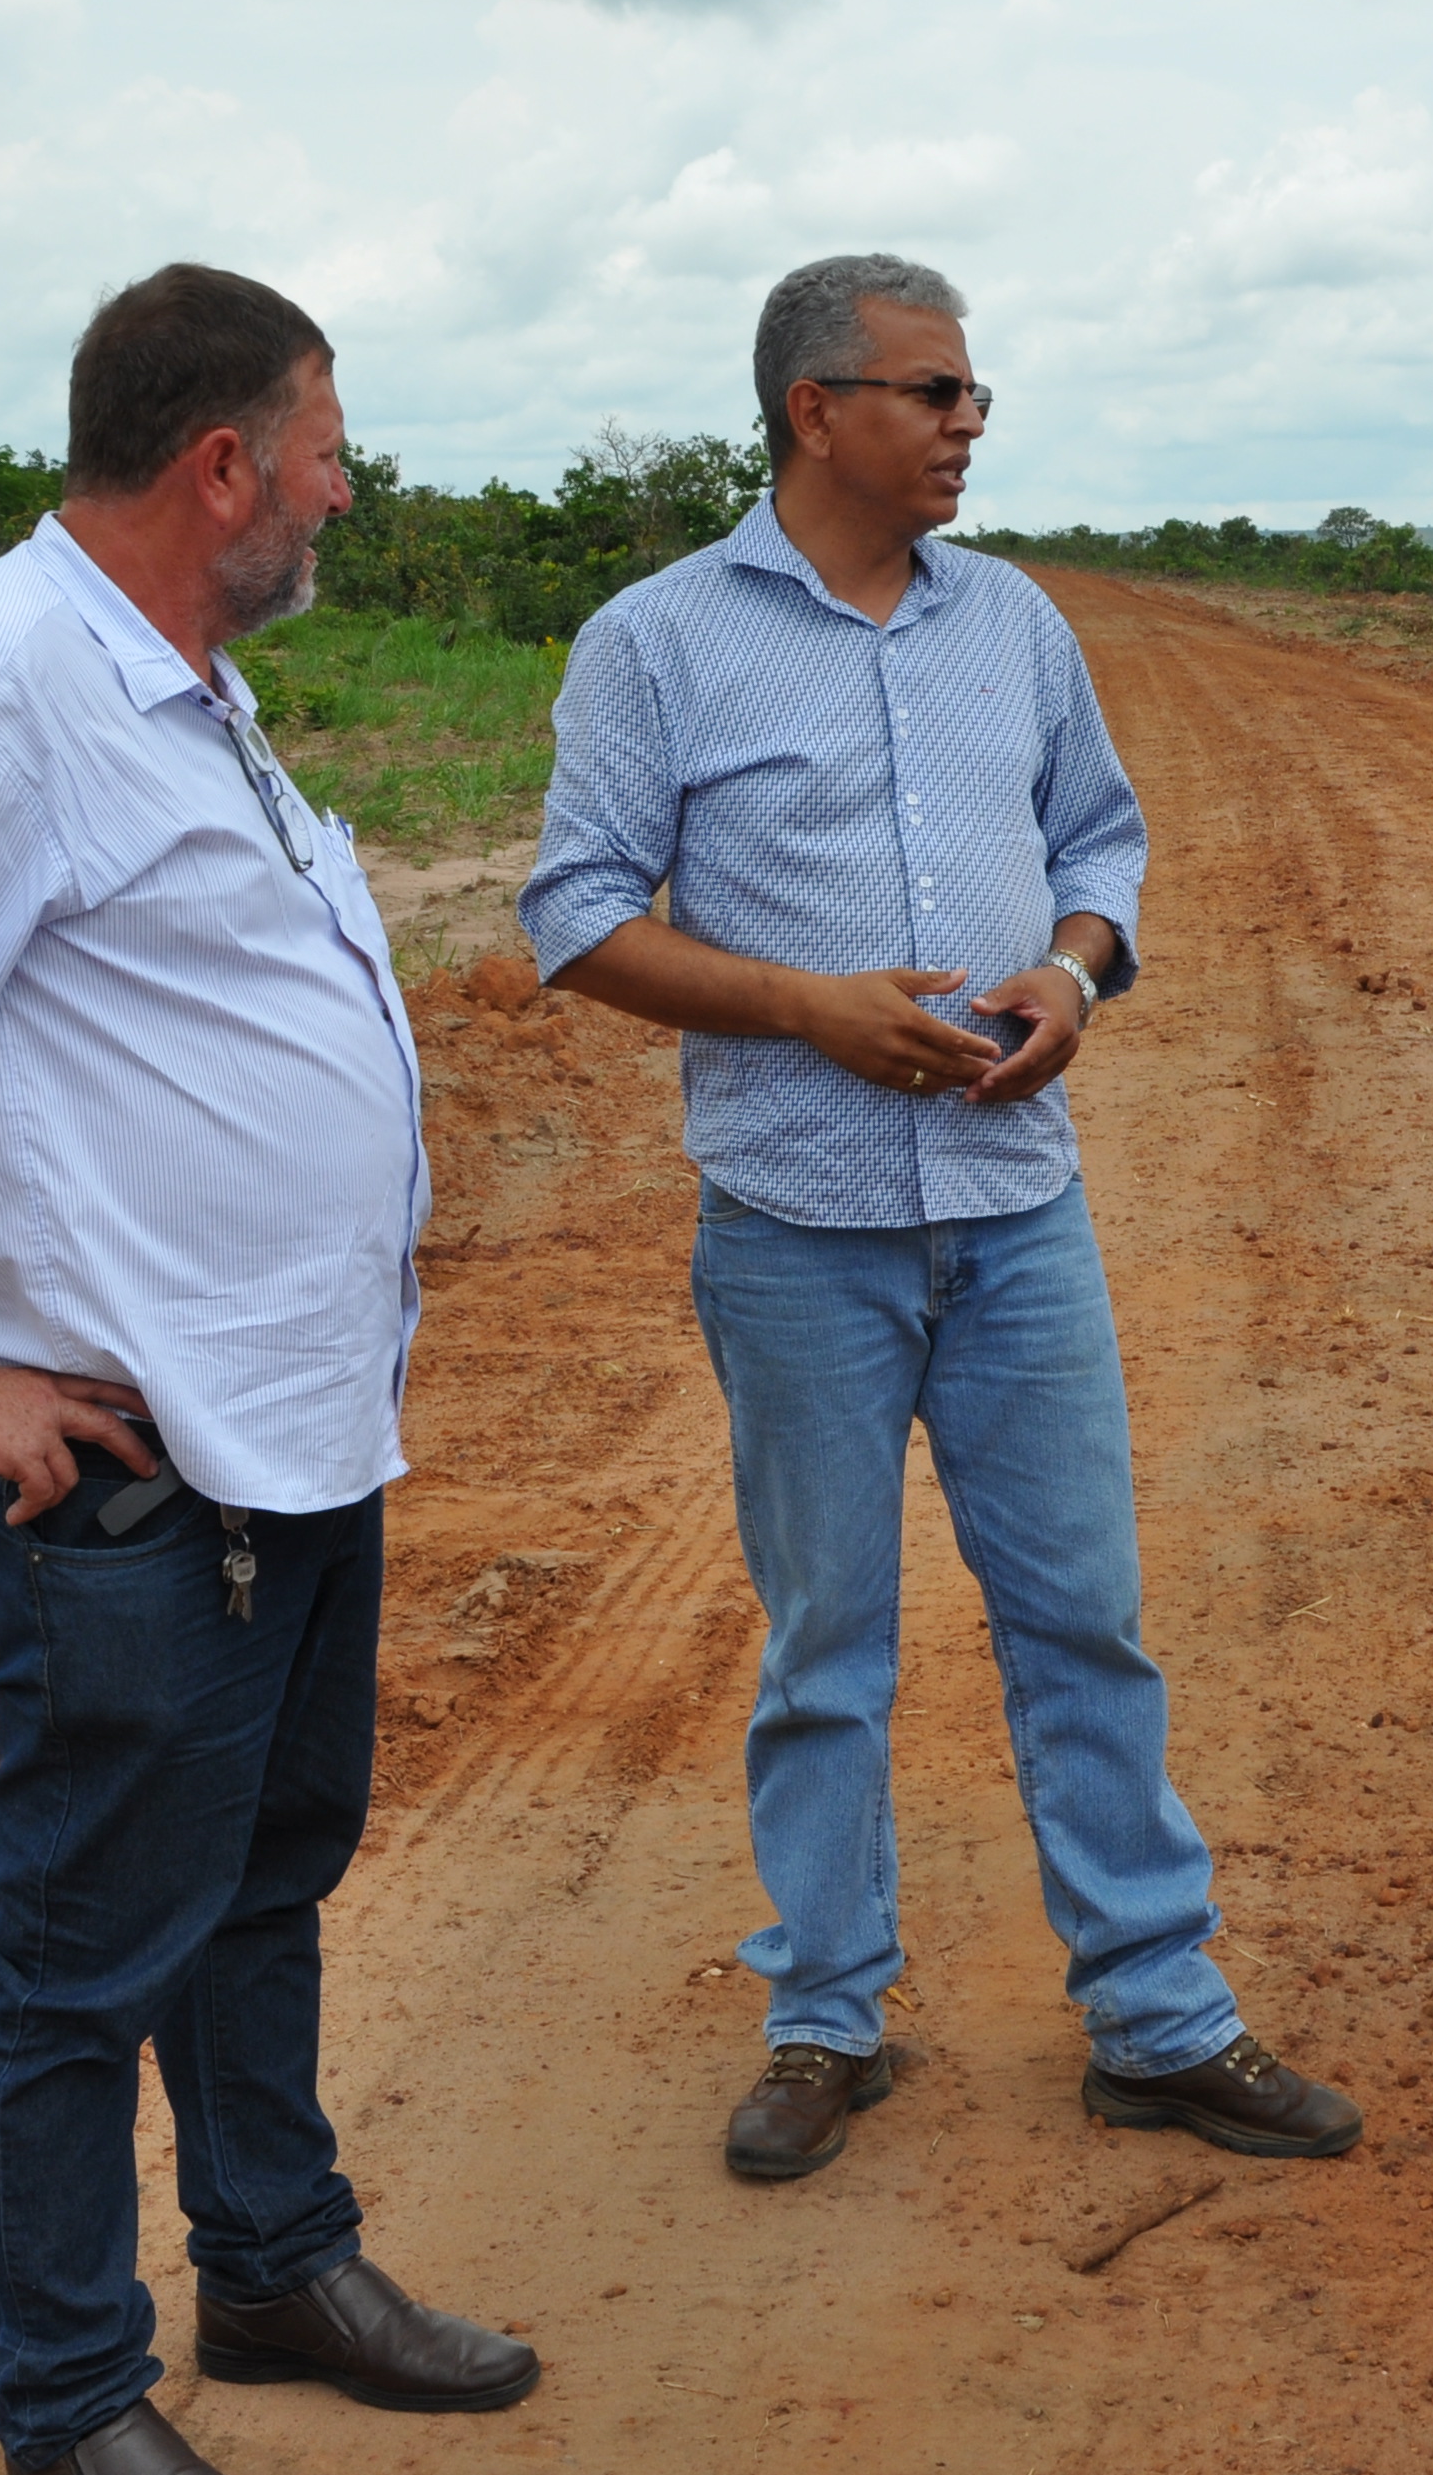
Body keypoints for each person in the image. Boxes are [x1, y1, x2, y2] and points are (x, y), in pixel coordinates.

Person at [0, 264, 535, 2475]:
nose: (347, 486)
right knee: (81, 1938)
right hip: (127, 1463)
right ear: (223, 467)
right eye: (328, 445)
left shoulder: (189, 687)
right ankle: (70, 2400)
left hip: (294, 1422)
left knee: (263, 1864)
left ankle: (273, 2257)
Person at [520, 251, 1360, 2183]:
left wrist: (1076, 974)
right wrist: (811, 1009)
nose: (970, 422)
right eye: (934, 392)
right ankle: (827, 2014)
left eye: (974, 394)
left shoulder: (1016, 623)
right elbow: (577, 917)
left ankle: (1158, 2015)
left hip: (1015, 1212)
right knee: (829, 1641)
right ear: (816, 411)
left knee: (1085, 1620)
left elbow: (1101, 835)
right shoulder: (656, 641)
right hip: (795, 1226)